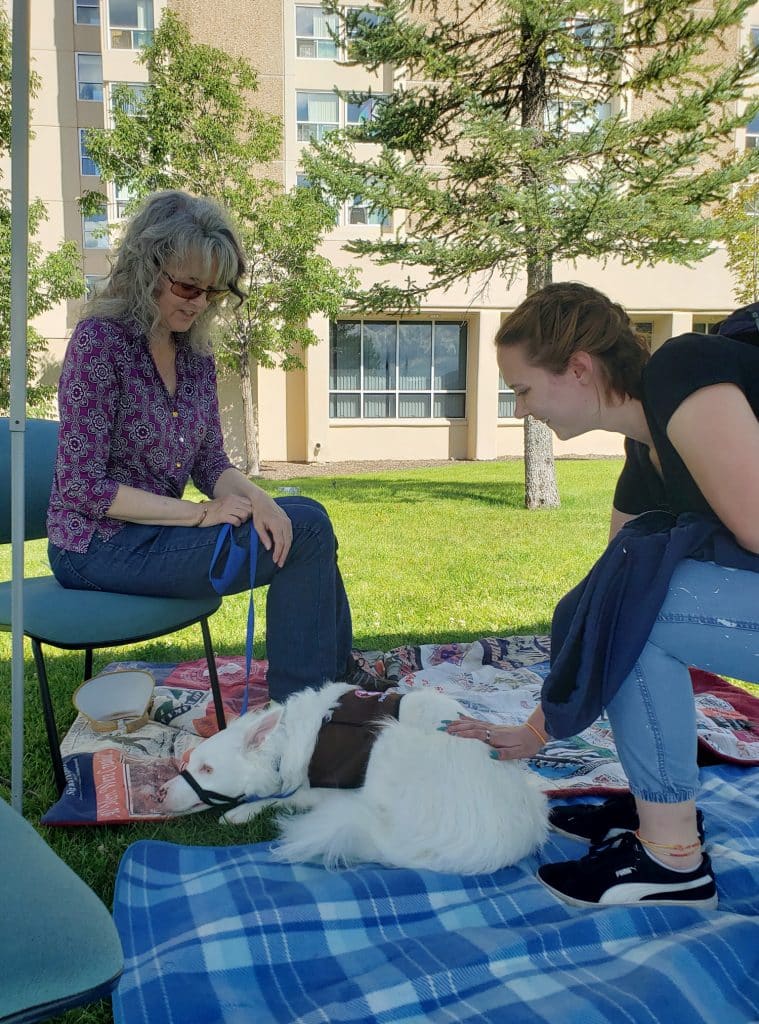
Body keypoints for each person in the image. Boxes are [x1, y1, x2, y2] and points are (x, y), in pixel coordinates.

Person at [448, 281, 759, 909]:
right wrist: (538, 731)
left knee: (640, 601)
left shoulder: (684, 370)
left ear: (579, 368)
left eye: (523, 389)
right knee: (630, 598)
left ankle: (671, 860)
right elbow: (599, 597)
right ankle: (667, 839)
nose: (520, 409)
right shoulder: (646, 452)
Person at [47, 189, 353, 703]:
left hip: (157, 537)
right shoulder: (99, 342)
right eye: (188, 286)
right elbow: (82, 487)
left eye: (212, 291)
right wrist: (200, 515)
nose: (199, 302)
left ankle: (326, 684)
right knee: (310, 530)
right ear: (147, 269)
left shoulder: (194, 356)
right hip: (96, 547)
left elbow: (211, 461)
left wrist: (261, 501)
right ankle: (307, 708)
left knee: (302, 515)